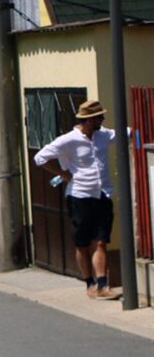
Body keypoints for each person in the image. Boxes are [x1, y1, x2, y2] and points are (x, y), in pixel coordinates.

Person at [34, 100, 121, 299]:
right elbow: (40, 158)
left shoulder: (103, 135)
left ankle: (102, 284)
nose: (102, 120)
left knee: (101, 242)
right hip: (80, 196)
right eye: (99, 117)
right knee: (82, 243)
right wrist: (63, 174)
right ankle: (89, 283)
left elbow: (128, 133)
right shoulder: (68, 140)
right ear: (88, 119)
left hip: (102, 194)